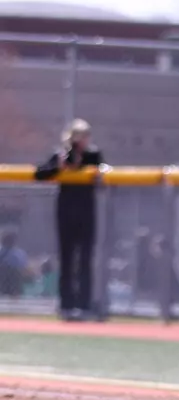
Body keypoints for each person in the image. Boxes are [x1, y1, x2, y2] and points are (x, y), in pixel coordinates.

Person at [34, 119, 104, 320]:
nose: (83, 140)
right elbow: (40, 173)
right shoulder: (60, 155)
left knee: (85, 260)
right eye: (80, 136)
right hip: (66, 214)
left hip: (87, 213)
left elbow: (105, 171)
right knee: (66, 259)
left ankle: (84, 305)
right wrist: (59, 165)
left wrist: (98, 172)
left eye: (85, 136)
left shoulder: (93, 156)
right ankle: (66, 304)